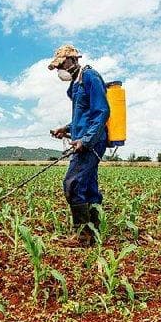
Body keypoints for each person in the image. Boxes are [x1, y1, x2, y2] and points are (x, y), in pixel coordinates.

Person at [47, 44, 110, 245]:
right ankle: (93, 232)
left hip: (91, 142)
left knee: (72, 184)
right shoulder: (75, 84)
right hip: (82, 140)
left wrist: (86, 140)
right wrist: (66, 129)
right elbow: (83, 117)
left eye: (61, 64)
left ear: (74, 59)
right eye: (57, 67)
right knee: (88, 185)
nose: (59, 70)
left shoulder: (90, 77)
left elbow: (101, 112)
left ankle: (82, 237)